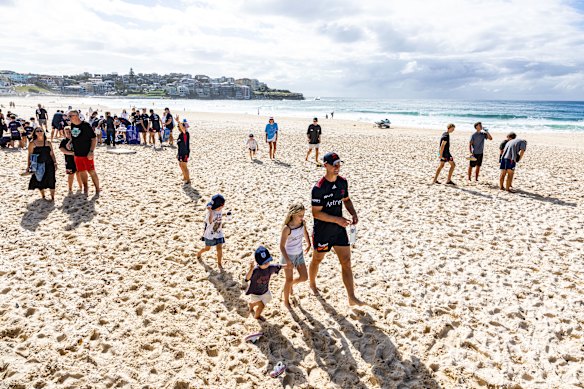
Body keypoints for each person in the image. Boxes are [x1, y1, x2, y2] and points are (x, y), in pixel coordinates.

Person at [310, 152, 364, 306]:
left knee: (346, 262)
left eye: (339, 164)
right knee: (317, 259)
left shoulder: (342, 182)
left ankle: (351, 297)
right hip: (323, 231)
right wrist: (337, 219)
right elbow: (316, 213)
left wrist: (353, 213)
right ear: (325, 165)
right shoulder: (318, 188)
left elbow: (346, 199)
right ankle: (312, 283)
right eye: (334, 164)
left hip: (339, 230)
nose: (337, 167)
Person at [279, 202, 310, 308]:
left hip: (299, 254)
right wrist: (287, 260)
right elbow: (282, 246)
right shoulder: (287, 228)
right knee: (288, 279)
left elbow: (305, 233)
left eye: (303, 215)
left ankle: (290, 285)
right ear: (293, 214)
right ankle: (286, 300)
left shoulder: (302, 223)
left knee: (304, 277)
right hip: (288, 256)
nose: (302, 217)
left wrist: (309, 243)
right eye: (300, 215)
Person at [245, 246, 284, 321]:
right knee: (262, 306)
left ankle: (252, 304)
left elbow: (279, 266)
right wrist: (251, 269)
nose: (267, 264)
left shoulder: (270, 267)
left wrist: (289, 266)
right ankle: (256, 317)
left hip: (265, 291)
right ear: (258, 263)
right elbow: (247, 278)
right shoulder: (255, 270)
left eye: (268, 261)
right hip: (255, 293)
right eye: (264, 263)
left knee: (265, 301)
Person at [69, 110, 100, 194]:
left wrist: (91, 151)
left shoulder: (86, 125)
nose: (69, 118)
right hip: (77, 153)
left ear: (76, 116)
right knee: (81, 171)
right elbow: (74, 136)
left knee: (91, 171)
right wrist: (70, 142)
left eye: (70, 116)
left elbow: (94, 138)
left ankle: (97, 189)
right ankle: (86, 188)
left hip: (87, 153)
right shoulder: (72, 125)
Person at [26, 128, 57, 201]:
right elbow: (30, 155)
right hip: (37, 164)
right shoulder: (32, 143)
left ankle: (52, 197)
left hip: (49, 164)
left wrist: (55, 163)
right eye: (37, 131)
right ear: (35, 133)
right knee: (39, 180)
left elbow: (52, 154)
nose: (39, 132)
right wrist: (28, 166)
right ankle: (43, 196)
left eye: (41, 131)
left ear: (43, 132)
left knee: (51, 180)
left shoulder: (48, 142)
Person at [197, 194, 226, 270]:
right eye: (220, 206)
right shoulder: (210, 213)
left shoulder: (219, 209)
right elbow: (210, 221)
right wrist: (210, 211)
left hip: (219, 233)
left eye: (222, 206)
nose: (222, 207)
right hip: (210, 235)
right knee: (207, 249)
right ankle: (199, 253)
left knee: (219, 249)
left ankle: (219, 263)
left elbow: (210, 203)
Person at [59, 127, 82, 192]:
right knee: (70, 174)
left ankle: (81, 187)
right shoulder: (64, 141)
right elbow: (63, 150)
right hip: (69, 160)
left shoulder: (76, 139)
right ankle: (70, 188)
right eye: (67, 132)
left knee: (79, 173)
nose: (68, 133)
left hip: (78, 159)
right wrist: (72, 153)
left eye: (69, 132)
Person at [175, 115, 190, 184]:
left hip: (185, 152)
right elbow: (179, 145)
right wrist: (178, 154)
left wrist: (178, 121)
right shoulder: (180, 135)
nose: (178, 128)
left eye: (179, 126)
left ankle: (188, 180)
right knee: (181, 165)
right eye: (178, 127)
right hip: (181, 152)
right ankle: (184, 177)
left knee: (184, 166)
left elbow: (183, 128)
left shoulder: (185, 133)